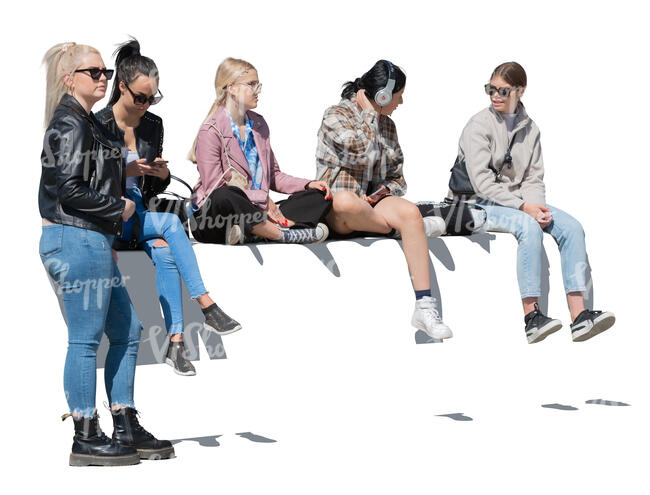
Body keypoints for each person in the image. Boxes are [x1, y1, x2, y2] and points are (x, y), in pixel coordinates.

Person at [39, 42, 173, 466]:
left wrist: (131, 172)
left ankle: (125, 422)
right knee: (85, 338)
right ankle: (85, 434)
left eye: (105, 73)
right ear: (69, 79)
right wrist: (121, 208)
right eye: (93, 72)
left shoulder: (86, 124)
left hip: (92, 240)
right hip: (74, 237)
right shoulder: (70, 123)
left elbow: (90, 175)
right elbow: (69, 190)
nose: (103, 78)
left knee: (127, 329)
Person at [96, 38, 240, 376]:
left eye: (152, 98)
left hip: (139, 217)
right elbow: (89, 182)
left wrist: (160, 175)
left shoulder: (152, 125)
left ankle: (176, 343)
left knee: (163, 250)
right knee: (172, 227)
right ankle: (206, 305)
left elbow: (151, 187)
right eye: (140, 97)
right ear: (121, 87)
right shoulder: (98, 125)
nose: (146, 105)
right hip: (110, 220)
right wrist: (124, 171)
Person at [451, 61, 615, 343]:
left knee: (572, 227)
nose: (495, 95)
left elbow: (533, 178)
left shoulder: (531, 129)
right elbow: (482, 183)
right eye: (490, 89)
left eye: (502, 90)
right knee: (528, 227)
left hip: (517, 201)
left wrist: (537, 207)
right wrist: (523, 208)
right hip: (477, 202)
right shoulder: (478, 125)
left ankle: (579, 316)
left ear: (520, 91)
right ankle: (532, 318)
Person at [315, 60, 452, 340]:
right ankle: (409, 232)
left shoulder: (388, 126)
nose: (401, 101)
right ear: (382, 95)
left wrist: (378, 195)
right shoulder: (335, 116)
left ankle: (424, 306)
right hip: (340, 208)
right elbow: (358, 152)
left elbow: (397, 179)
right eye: (398, 94)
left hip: (372, 206)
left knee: (410, 211)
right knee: (347, 202)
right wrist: (367, 115)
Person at [189, 57, 333, 245]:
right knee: (225, 196)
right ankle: (282, 234)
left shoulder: (259, 125)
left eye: (258, 84)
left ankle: (254, 230)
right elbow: (214, 188)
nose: (259, 90)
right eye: (252, 84)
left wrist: (308, 184)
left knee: (319, 195)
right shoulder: (210, 131)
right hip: (215, 219)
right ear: (231, 88)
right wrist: (262, 198)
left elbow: (273, 175)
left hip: (258, 210)